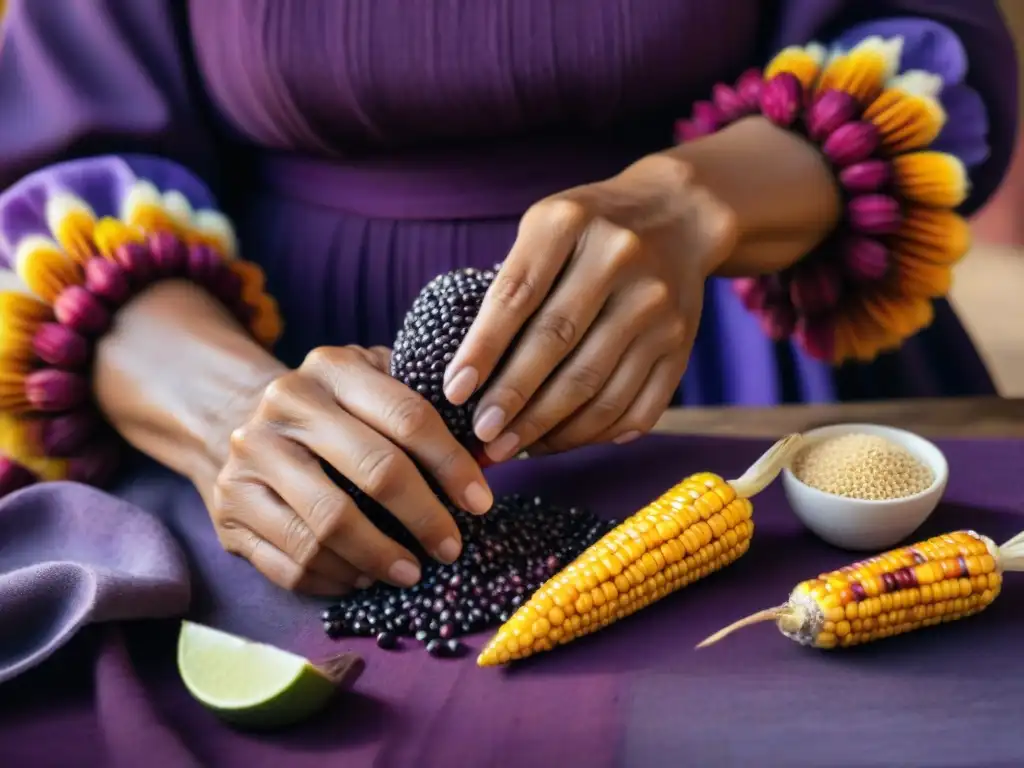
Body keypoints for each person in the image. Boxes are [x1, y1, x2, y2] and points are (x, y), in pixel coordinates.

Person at [0, 0, 1016, 668]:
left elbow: (930, 48)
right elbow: (51, 168)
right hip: (273, 366)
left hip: (751, 352)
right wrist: (226, 411)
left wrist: (689, 201)